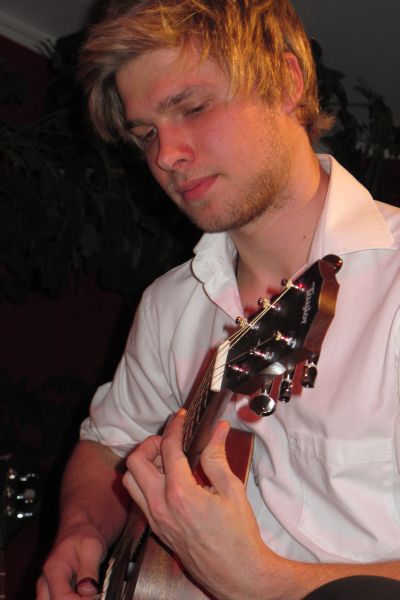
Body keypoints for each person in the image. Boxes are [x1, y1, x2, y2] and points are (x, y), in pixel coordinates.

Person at [37, 1, 400, 599]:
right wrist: (81, 530)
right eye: (146, 134)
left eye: (193, 107)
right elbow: (110, 444)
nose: (165, 155)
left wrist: (264, 584)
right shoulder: (169, 306)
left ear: (286, 81)